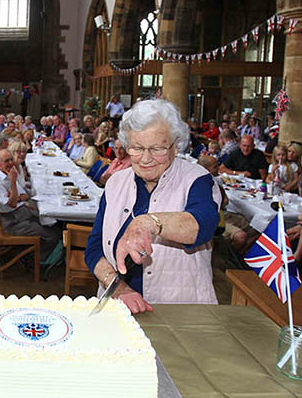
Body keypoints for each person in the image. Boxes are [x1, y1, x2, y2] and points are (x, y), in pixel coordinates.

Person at [84, 99, 221, 313]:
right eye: (137, 148)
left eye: (157, 149)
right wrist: (120, 289)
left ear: (175, 146)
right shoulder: (116, 183)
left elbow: (203, 225)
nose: (146, 159)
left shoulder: (197, 179)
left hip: (179, 312)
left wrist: (148, 223)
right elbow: (94, 248)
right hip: (117, 309)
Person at [0, 150, 61, 261]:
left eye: (11, 159)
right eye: (7, 161)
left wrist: (16, 196)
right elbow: (12, 204)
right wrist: (13, 184)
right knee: (53, 234)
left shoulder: (9, 173)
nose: (11, 163)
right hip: (12, 222)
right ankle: (33, 259)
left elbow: (24, 195)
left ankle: (32, 252)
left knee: (54, 223)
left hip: (21, 213)